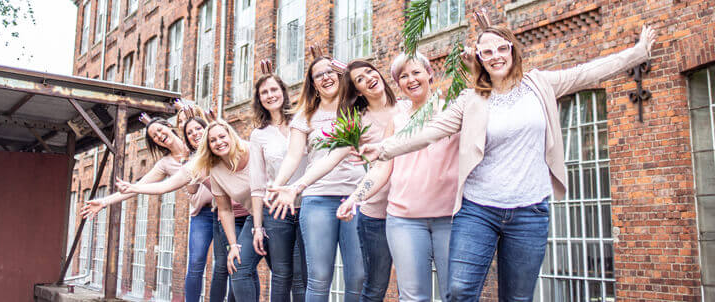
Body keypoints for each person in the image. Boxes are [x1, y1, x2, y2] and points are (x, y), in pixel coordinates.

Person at [360, 24, 656, 302]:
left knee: (517, 297)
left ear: (512, 50)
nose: (495, 56)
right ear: (479, 59)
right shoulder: (471, 99)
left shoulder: (539, 84)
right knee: (460, 289)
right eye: (486, 52)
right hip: (479, 209)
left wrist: (637, 53)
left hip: (529, 210)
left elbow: (587, 72)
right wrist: (385, 149)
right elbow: (429, 132)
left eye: (501, 48)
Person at [269, 59, 400, 302]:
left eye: (331, 72)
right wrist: (280, 184)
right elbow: (294, 156)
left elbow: (364, 77)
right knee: (318, 277)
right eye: (319, 75)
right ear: (313, 84)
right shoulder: (305, 116)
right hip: (317, 198)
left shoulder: (356, 110)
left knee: (359, 276)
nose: (326, 77)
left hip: (355, 197)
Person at [336, 53, 459, 302]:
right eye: (404, 76)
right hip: (404, 220)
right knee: (413, 297)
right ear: (398, 84)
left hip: (450, 217)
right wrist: (354, 198)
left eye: (416, 73)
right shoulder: (398, 119)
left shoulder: (453, 111)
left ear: (429, 74)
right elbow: (382, 169)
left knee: (455, 294)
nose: (411, 80)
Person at [109, 109, 230, 302]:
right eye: (154, 137)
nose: (158, 136)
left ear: (170, 126)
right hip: (202, 214)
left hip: (226, 210)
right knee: (196, 262)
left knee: (223, 264)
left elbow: (212, 132)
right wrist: (103, 201)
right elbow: (137, 188)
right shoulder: (165, 164)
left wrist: (192, 117)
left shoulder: (198, 142)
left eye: (159, 131)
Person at [189, 119, 264, 301]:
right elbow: (225, 210)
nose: (218, 142)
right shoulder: (214, 169)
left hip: (276, 212)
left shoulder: (251, 150)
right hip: (251, 217)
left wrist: (259, 228)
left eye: (222, 136)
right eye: (212, 140)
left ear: (231, 135)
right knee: (239, 267)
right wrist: (233, 246)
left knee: (284, 274)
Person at [249, 72, 308, 302]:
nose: (270, 95)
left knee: (303, 276)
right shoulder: (258, 135)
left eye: (274, 89)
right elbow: (257, 185)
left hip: (307, 206)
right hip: (276, 212)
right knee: (281, 275)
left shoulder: (302, 121)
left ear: (283, 92)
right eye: (264, 92)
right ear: (259, 99)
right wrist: (257, 228)